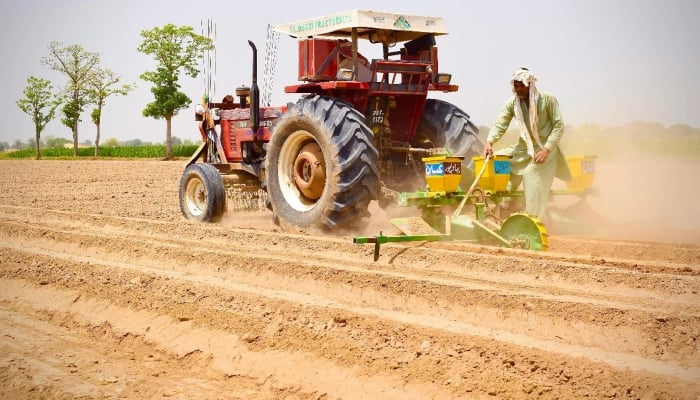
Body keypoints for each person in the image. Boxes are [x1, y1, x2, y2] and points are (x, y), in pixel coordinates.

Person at [484, 67, 570, 218]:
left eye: (521, 86)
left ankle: (533, 219)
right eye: (516, 86)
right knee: (497, 161)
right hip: (524, 148)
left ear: (530, 84)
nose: (518, 89)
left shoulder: (547, 99)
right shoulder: (513, 103)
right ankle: (500, 206)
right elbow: (501, 123)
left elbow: (559, 125)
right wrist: (490, 141)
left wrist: (547, 149)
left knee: (531, 174)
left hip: (545, 150)